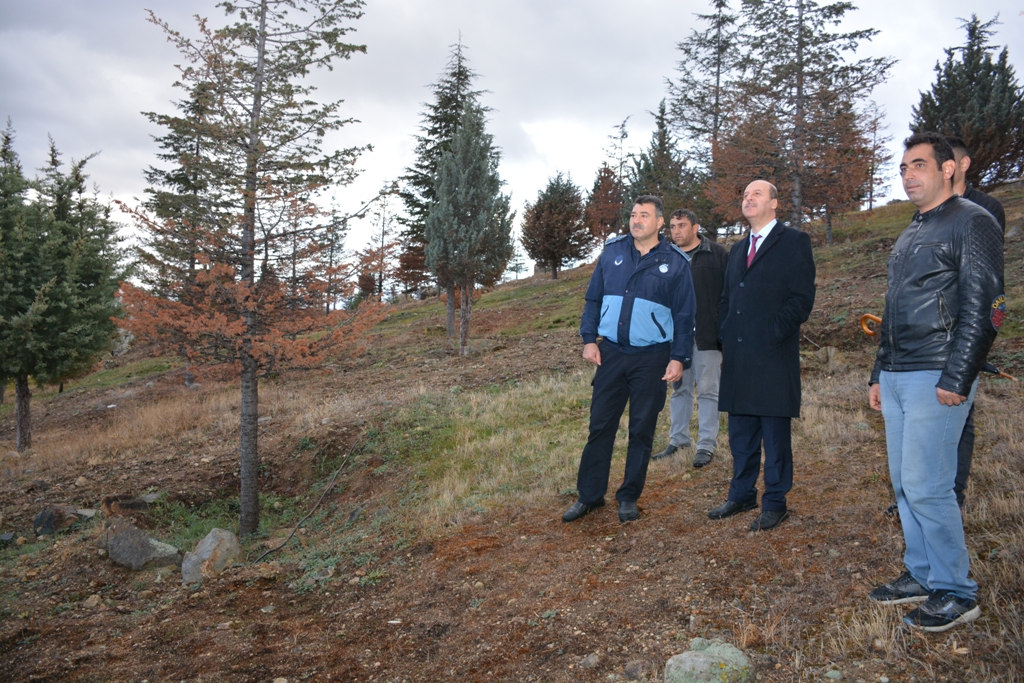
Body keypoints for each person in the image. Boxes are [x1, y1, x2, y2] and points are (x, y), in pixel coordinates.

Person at [867, 132, 1004, 632]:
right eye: (904, 167)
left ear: (949, 169)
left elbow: (987, 306)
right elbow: (893, 309)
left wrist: (959, 374)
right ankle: (923, 573)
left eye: (919, 165)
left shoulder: (972, 221)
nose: (908, 175)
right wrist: (878, 373)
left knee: (929, 485)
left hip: (937, 372)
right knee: (906, 484)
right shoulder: (912, 230)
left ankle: (956, 590)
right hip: (898, 374)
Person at [564, 195, 696, 524]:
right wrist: (589, 339)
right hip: (610, 354)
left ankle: (628, 496)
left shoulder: (675, 262)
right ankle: (590, 496)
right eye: (634, 215)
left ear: (660, 222)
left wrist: (678, 358)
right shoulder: (612, 253)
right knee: (600, 427)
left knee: (641, 430)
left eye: (644, 215)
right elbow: (593, 300)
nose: (636, 220)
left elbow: (685, 316)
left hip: (652, 359)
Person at [707, 180, 816, 532]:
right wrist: (725, 332)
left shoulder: (794, 242)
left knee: (775, 438)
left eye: (756, 194)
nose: (748, 198)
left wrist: (771, 334)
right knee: (741, 436)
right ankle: (741, 495)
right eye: (744, 195)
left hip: (772, 357)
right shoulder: (738, 249)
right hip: (738, 357)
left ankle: (775, 503)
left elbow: (801, 300)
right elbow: (727, 298)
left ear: (774, 203)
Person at [652, 209, 729, 468]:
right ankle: (679, 440)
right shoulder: (665, 256)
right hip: (676, 339)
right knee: (679, 390)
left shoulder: (717, 255)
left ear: (695, 227)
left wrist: (724, 330)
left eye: (682, 225)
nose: (676, 231)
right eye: (672, 226)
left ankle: (706, 444)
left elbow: (730, 294)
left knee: (708, 391)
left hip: (708, 336)